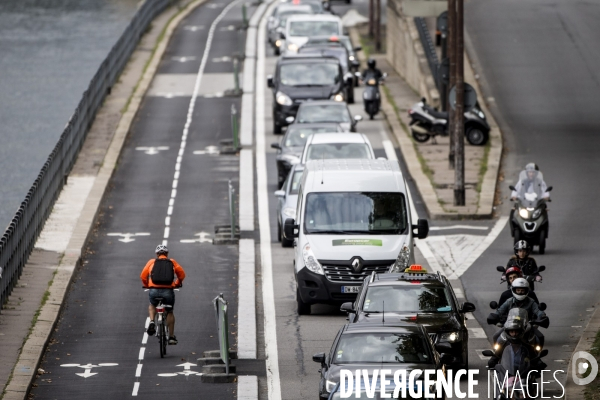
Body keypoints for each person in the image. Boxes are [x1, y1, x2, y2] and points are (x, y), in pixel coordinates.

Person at [140, 244, 186, 345]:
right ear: (167, 254)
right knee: (169, 311)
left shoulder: (152, 262)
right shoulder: (172, 262)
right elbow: (182, 274)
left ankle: (152, 321)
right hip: (168, 291)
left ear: (157, 254)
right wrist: (177, 284)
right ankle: (171, 337)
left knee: (152, 304)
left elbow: (143, 275)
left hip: (154, 290)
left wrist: (147, 285)